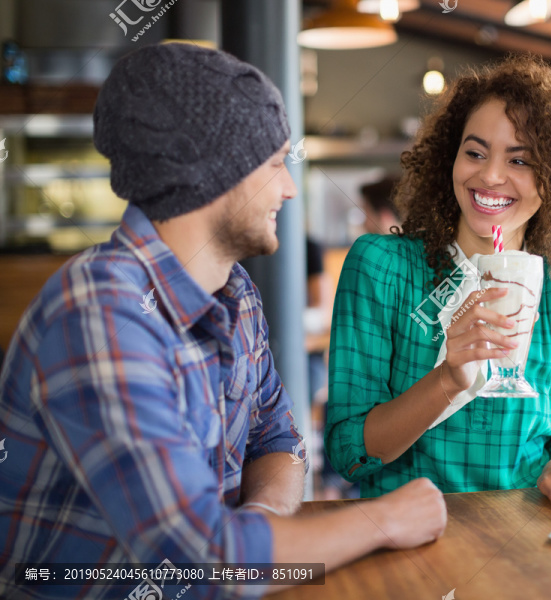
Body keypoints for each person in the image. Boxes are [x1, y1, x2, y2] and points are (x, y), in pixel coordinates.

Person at [0, 43, 445, 600]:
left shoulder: (235, 293)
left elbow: (280, 440)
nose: (288, 187)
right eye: (274, 163)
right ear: (214, 171)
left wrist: (256, 530)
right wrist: (385, 520)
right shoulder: (99, 312)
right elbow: (202, 562)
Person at [326, 55, 551, 508]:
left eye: (520, 160)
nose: (490, 176)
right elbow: (349, 455)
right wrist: (447, 379)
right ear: (449, 158)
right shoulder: (381, 266)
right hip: (404, 536)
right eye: (475, 152)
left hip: (525, 535)